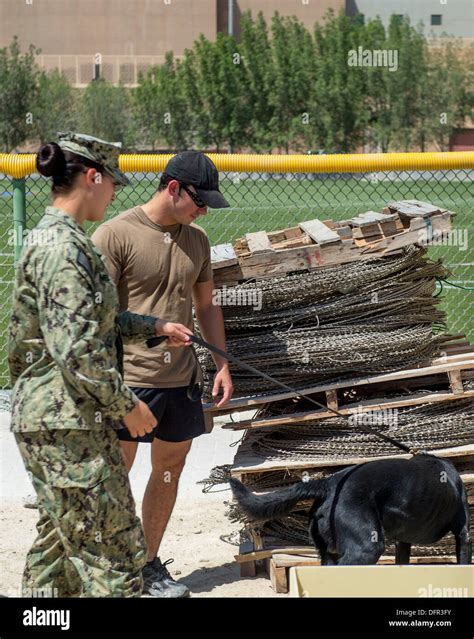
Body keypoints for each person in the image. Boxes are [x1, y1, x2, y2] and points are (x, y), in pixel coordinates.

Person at [8, 132, 191, 598]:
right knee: (111, 550)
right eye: (113, 183)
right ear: (93, 178)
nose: (114, 193)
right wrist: (127, 405)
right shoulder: (62, 248)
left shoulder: (66, 240)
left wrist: (154, 326)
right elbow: (76, 350)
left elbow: (97, 318)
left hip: (63, 419)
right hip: (66, 422)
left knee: (60, 541)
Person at [92, 151, 234, 598]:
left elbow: (207, 305)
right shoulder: (115, 234)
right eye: (199, 200)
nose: (204, 209)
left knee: (170, 468)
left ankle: (149, 564)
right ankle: (110, 569)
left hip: (181, 382)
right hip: (129, 380)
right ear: (173, 188)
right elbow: (97, 316)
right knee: (116, 474)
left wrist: (223, 363)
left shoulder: (197, 239)